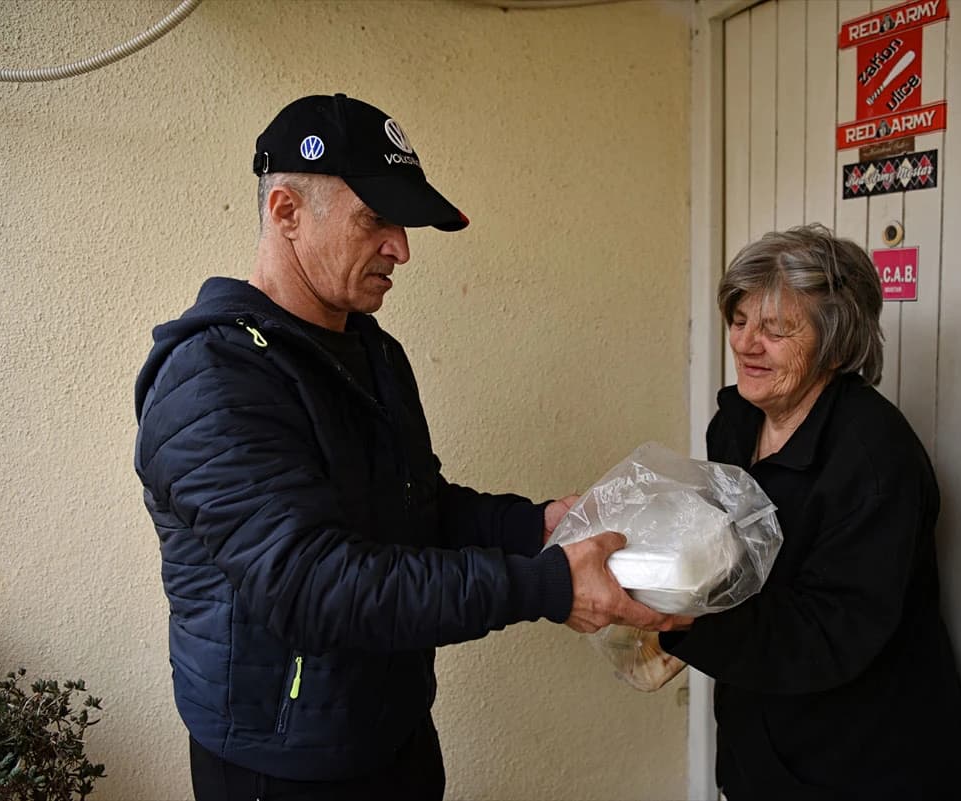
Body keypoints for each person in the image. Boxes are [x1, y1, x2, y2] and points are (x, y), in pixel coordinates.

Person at [133, 93, 675, 801]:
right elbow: (311, 585)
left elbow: (412, 509)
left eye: (404, 224)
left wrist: (534, 525)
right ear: (287, 212)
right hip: (283, 766)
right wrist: (548, 585)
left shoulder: (372, 351)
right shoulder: (213, 378)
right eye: (375, 219)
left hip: (394, 733)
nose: (402, 248)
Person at [658, 225, 961, 800]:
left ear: (835, 340)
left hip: (863, 761)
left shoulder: (874, 460)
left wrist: (681, 619)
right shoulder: (736, 423)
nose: (746, 344)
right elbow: (727, 563)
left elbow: (829, 634)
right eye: (739, 321)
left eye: (776, 329)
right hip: (762, 739)